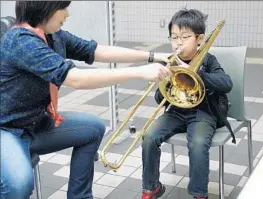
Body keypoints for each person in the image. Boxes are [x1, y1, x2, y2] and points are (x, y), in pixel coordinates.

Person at [0, 1, 172, 199]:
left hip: (35, 124)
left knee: (93, 128)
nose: (67, 14)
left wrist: (154, 56)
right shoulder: (21, 40)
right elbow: (76, 79)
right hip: (7, 130)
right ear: (45, 8)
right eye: (63, 8)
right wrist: (140, 72)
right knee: (19, 184)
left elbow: (96, 51)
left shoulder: (53, 36)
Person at [141, 8, 233, 199]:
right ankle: (151, 188)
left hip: (203, 113)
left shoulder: (208, 60)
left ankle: (199, 194)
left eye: (185, 37)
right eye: (174, 37)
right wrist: (162, 82)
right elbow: (160, 99)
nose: (178, 42)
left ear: (199, 39)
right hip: (176, 112)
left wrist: (198, 74)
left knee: (198, 143)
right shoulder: (171, 63)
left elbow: (226, 83)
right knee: (149, 136)